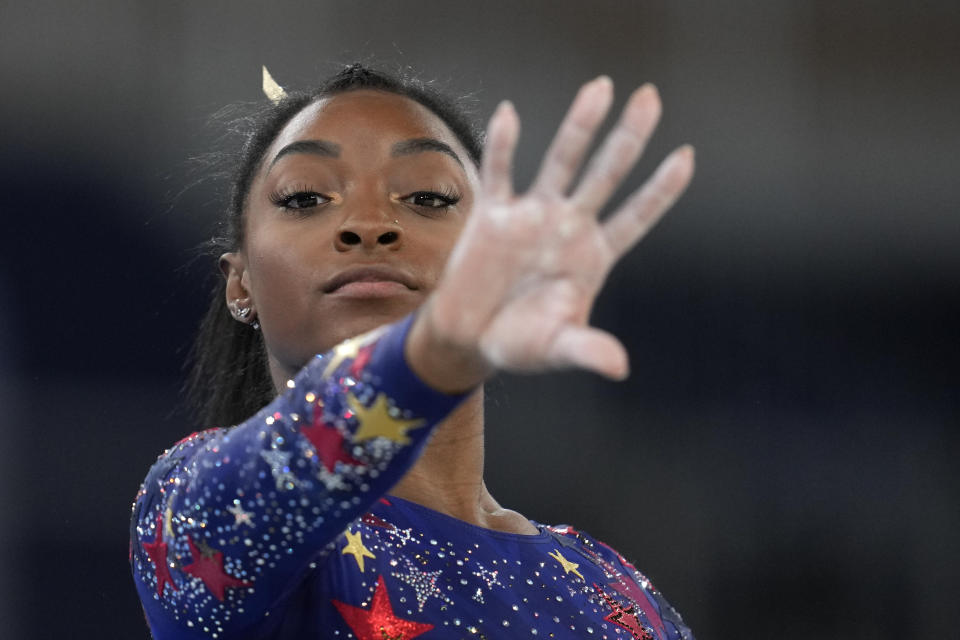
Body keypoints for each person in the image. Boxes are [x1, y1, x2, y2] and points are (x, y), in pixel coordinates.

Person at [130, 63, 696, 640]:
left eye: (427, 196)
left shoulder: (612, 592)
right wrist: (424, 356)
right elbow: (246, 504)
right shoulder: (199, 511)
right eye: (305, 197)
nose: (370, 224)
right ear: (240, 282)